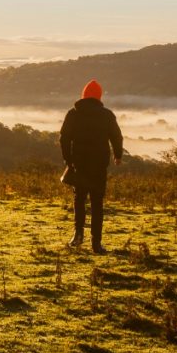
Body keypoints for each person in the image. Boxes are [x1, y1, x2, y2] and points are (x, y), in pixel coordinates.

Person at [60, 79, 123, 253]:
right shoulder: (107, 115)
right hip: (99, 164)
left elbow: (64, 138)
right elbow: (117, 137)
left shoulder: (73, 114)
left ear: (83, 95)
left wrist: (68, 159)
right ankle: (96, 243)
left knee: (79, 199)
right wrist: (118, 155)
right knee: (97, 203)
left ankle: (77, 236)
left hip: (79, 163)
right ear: (99, 97)